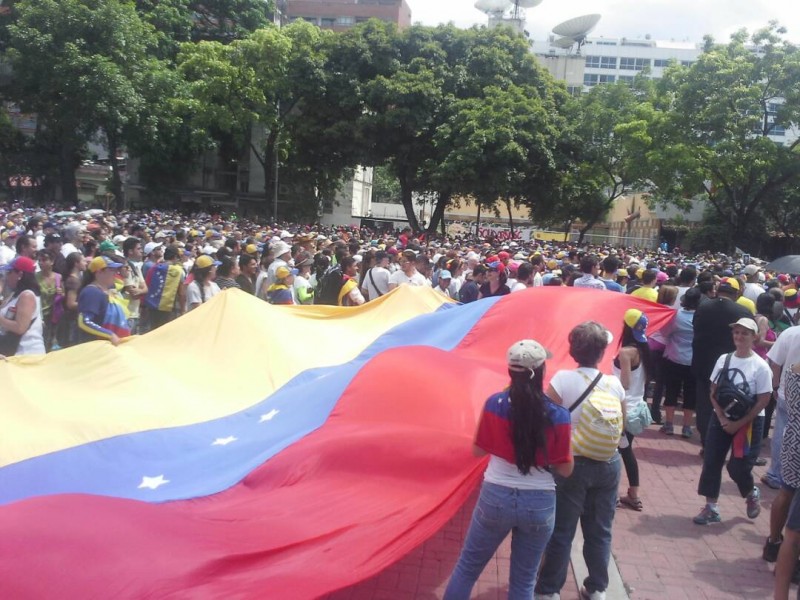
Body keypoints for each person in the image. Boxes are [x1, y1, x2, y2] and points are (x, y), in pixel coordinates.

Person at [444, 340, 573, 600]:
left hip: (495, 496)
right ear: (541, 372)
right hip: (539, 503)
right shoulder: (558, 415)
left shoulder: (495, 403)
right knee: (524, 582)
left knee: (467, 568)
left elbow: (478, 450)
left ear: (510, 372)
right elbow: (566, 469)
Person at [535, 322, 626, 600]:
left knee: (562, 530)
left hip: (571, 463)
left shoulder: (562, 380)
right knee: (600, 530)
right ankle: (597, 587)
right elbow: (622, 425)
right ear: (601, 353)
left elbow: (545, 421)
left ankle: (550, 590)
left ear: (574, 350)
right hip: (609, 462)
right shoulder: (614, 383)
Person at [693, 317, 772, 525]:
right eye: (736, 332)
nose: (739, 336)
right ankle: (711, 507)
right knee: (712, 460)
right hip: (721, 417)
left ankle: (749, 492)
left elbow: (764, 399)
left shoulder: (761, 366)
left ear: (754, 337)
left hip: (750, 422)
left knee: (739, 466)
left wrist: (739, 423)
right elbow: (713, 391)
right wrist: (721, 417)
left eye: (744, 333)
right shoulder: (724, 360)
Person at [691, 277, 752, 450]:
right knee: (731, 404)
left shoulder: (703, 306)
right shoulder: (742, 311)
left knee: (704, 404)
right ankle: (723, 444)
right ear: (737, 293)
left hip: (704, 363)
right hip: (730, 366)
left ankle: (706, 442)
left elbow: (696, 328)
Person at [613, 309, 652, 511]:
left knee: (615, 453)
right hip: (638, 407)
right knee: (626, 451)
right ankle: (633, 494)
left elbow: (624, 384)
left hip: (623, 409)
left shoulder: (626, 352)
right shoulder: (644, 348)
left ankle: (615, 495)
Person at [773, 362, 800, 600]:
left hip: (793, 441)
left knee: (785, 493)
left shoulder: (793, 369)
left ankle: (772, 541)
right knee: (793, 535)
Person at [660, 287, 702, 437]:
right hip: (693, 360)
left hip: (674, 357)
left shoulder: (675, 315)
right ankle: (686, 427)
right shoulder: (701, 317)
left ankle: (669, 424)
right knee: (690, 394)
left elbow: (665, 332)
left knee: (671, 390)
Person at [76, 256, 128, 346]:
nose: (116, 273)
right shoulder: (91, 292)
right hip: (96, 347)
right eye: (112, 270)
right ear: (99, 272)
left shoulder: (106, 292)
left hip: (109, 347)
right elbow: (84, 321)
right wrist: (110, 335)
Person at [0, 256, 45, 355]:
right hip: (14, 353)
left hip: (26, 352)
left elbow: (20, 328)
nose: (6, 276)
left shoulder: (27, 296)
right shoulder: (14, 295)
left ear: (20, 274)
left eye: (9, 272)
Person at [35, 249, 63, 351]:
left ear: (52, 261)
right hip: (39, 316)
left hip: (53, 315)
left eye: (44, 260)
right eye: (39, 260)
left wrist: (60, 293)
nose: (41, 262)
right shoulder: (35, 277)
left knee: (50, 341)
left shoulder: (58, 277)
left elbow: (62, 295)